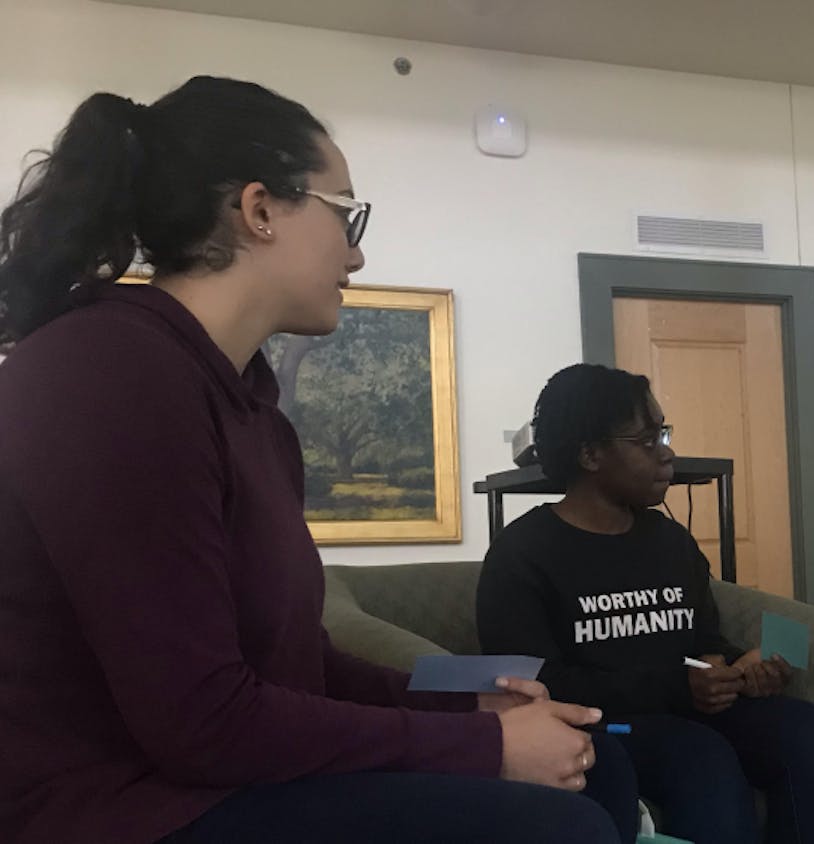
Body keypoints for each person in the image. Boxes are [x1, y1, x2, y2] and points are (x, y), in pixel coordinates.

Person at [0, 77, 631, 844]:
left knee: (603, 769)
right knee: (560, 829)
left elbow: (297, 665)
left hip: (209, 779)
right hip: (124, 809)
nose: (358, 251)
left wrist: (466, 706)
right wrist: (485, 746)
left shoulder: (251, 414)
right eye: (346, 214)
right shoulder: (110, 373)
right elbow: (202, 721)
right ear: (260, 209)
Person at [476, 363, 814, 844]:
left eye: (664, 434)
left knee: (808, 734)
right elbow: (536, 682)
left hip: (685, 707)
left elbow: (701, 637)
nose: (667, 453)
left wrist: (737, 665)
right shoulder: (522, 554)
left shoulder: (670, 541)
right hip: (605, 724)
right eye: (647, 440)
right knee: (697, 755)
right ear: (591, 454)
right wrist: (680, 687)